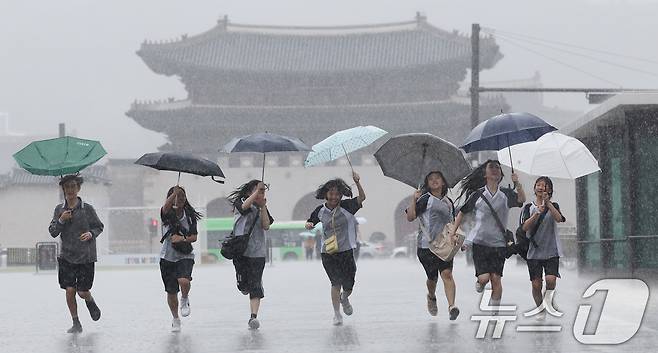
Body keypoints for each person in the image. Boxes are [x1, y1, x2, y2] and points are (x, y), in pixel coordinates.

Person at [450, 160, 525, 314]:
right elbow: (462, 212)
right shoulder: (477, 194)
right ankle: (480, 282)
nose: (495, 170)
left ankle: (495, 312)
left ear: (501, 174)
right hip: (480, 243)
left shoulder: (506, 194)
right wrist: (453, 232)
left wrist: (517, 183)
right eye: (491, 167)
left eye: (498, 168)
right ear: (485, 174)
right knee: (485, 278)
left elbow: (521, 200)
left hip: (499, 244)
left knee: (496, 279)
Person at [305, 172, 365, 326]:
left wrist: (357, 182)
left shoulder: (347, 206)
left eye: (337, 194)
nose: (333, 197)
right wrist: (309, 224)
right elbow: (310, 222)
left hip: (346, 251)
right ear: (326, 194)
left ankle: (344, 298)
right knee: (335, 282)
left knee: (349, 284)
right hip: (328, 252)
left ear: (341, 195)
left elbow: (362, 198)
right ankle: (337, 314)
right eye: (331, 194)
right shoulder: (320, 210)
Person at [48, 174, 104, 333]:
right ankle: (76, 322)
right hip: (67, 256)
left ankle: (90, 300)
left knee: (82, 292)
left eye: (73, 186)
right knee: (70, 290)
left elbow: (99, 226)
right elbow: (53, 232)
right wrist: (61, 220)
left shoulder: (87, 209)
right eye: (67, 187)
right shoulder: (59, 209)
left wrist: (91, 234)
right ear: (63, 189)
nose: (70, 190)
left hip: (85, 256)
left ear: (78, 188)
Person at [406, 171, 460, 320]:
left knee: (447, 274)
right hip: (426, 246)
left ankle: (452, 306)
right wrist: (413, 200)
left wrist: (457, 238)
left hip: (445, 246)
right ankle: (431, 296)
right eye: (431, 179)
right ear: (427, 183)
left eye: (438, 178)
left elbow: (452, 223)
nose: (435, 181)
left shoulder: (449, 202)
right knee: (432, 278)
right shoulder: (424, 199)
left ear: (443, 182)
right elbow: (410, 217)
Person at [228, 180, 274, 330]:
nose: (261, 194)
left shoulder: (261, 207)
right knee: (244, 285)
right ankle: (242, 285)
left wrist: (263, 207)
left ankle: (253, 317)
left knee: (255, 285)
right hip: (241, 251)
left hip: (257, 253)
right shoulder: (240, 201)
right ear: (249, 191)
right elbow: (244, 207)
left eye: (262, 191)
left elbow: (266, 226)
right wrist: (256, 194)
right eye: (258, 190)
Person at [521, 176, 565, 320]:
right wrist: (536, 213)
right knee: (536, 284)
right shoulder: (528, 207)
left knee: (551, 280)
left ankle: (548, 300)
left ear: (550, 190)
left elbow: (559, 219)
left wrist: (548, 204)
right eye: (538, 185)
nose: (541, 187)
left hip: (551, 251)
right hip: (534, 253)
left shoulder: (554, 206)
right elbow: (524, 227)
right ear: (534, 188)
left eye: (544, 185)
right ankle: (540, 308)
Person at [159, 185, 201, 332]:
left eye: (182, 195)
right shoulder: (166, 213)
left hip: (185, 255)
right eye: (177, 195)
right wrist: (173, 194)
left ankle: (185, 297)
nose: (180, 198)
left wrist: (182, 238)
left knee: (184, 280)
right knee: (171, 291)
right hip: (167, 257)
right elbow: (165, 207)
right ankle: (175, 318)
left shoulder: (189, 215)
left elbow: (194, 237)